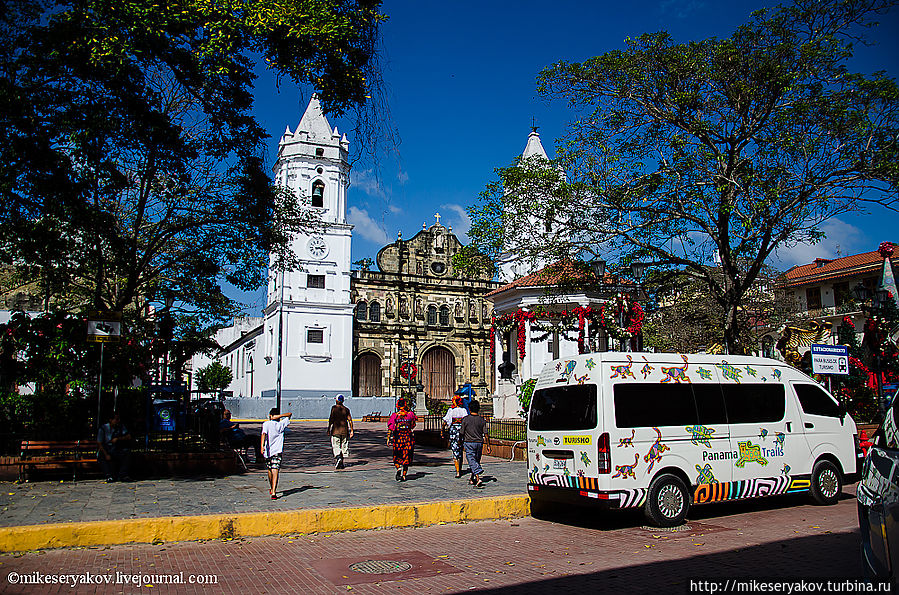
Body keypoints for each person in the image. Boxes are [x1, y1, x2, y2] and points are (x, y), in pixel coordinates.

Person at [261, 408, 292, 499]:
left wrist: (262, 446)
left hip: (273, 451)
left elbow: (263, 434)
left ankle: (273, 491)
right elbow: (289, 414)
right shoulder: (280, 424)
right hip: (271, 451)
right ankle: (273, 488)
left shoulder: (268, 423)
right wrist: (280, 416)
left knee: (273, 470)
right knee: (272, 470)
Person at [460, 400, 490, 488]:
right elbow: (486, 434)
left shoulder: (465, 419)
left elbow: (461, 432)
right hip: (479, 442)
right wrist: (488, 445)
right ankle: (473, 478)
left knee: (471, 460)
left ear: (469, 409)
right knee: (476, 460)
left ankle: (477, 474)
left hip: (469, 442)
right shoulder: (481, 420)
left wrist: (459, 441)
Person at [387, 399, 417, 481]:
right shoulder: (410, 415)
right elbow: (413, 425)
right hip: (408, 438)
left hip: (398, 439)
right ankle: (404, 475)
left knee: (396, 456)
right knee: (406, 456)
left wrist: (388, 438)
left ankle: (398, 469)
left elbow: (390, 427)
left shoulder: (395, 416)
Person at [97, 412, 132, 482]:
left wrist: (118, 439)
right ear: (110, 420)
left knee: (126, 453)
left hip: (117, 448)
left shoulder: (121, 427)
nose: (117, 421)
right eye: (116, 419)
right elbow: (99, 443)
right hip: (106, 448)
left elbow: (128, 436)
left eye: (118, 419)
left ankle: (123, 475)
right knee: (101, 456)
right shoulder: (103, 428)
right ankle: (108, 475)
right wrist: (106, 454)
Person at [441, 395, 468, 478]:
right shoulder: (463, 410)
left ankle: (458, 471)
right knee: (460, 450)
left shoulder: (451, 411)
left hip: (453, 432)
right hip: (462, 432)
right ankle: (460, 468)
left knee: (455, 451)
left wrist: (442, 431)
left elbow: (445, 421)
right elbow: (466, 420)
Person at [327, 394, 354, 469]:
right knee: (344, 445)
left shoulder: (334, 408)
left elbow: (331, 419)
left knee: (336, 445)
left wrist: (328, 429)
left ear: (337, 400)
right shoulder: (346, 409)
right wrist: (351, 430)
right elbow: (350, 420)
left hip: (336, 430)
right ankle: (341, 462)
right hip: (345, 430)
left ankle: (338, 458)